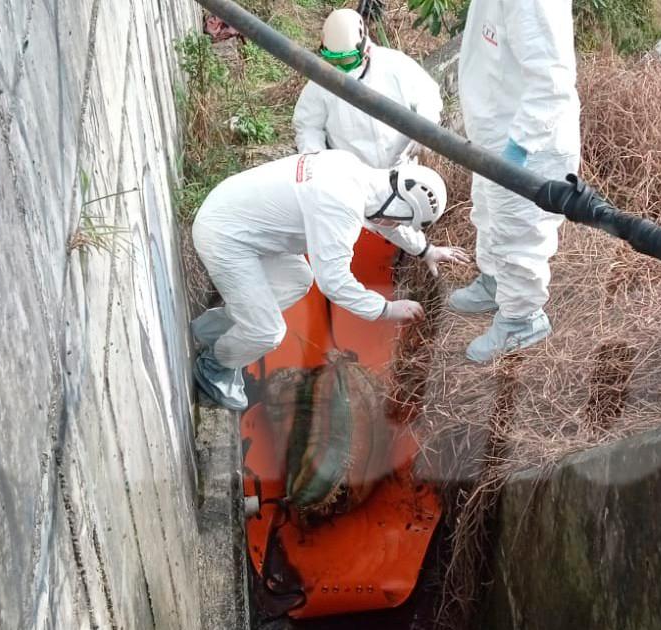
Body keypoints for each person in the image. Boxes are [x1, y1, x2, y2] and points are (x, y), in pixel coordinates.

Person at [190, 150, 468, 410]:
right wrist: (385, 309)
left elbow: (384, 219)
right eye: (400, 221)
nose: (395, 227)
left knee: (298, 277)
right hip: (225, 238)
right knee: (268, 332)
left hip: (233, 215)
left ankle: (214, 332)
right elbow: (333, 281)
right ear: (398, 206)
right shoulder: (341, 206)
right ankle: (214, 367)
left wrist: (426, 250)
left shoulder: (356, 174)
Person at [450, 0, 582, 362]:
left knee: (517, 232)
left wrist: (518, 148)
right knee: (489, 214)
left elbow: (551, 82)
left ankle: (522, 319)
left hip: (528, 143)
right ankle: (495, 283)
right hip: (496, 131)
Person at [293, 8, 443, 168]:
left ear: (364, 47)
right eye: (335, 60)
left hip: (402, 169)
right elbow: (307, 126)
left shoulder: (394, 65)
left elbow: (429, 97)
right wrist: (317, 165)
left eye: (347, 60)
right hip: (353, 179)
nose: (342, 67)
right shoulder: (321, 82)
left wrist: (424, 133)